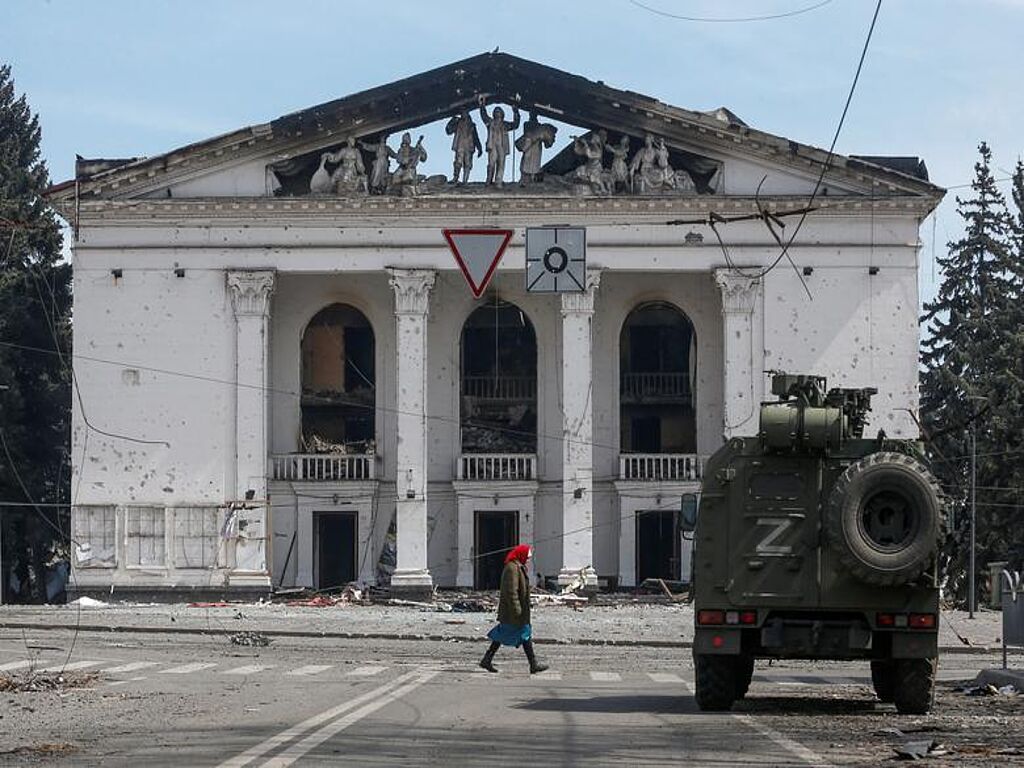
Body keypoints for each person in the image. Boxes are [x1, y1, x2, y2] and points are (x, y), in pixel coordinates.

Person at [479, 544, 549, 674]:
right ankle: (533, 664)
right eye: (527, 557)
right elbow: (511, 591)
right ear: (521, 555)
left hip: (516, 611)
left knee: (520, 634)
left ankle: (488, 659)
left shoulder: (518, 567)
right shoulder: (512, 568)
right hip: (513, 611)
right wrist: (517, 609)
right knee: (517, 634)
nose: (528, 560)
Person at [479, 99, 520, 187]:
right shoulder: (490, 123)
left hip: (502, 145)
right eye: (496, 111)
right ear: (493, 114)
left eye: (499, 111)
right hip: (492, 145)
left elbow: (515, 125)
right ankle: (489, 179)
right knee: (491, 163)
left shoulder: (505, 125)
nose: (497, 113)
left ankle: (498, 181)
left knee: (501, 163)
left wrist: (516, 112)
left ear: (502, 114)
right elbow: (484, 116)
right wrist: (482, 106)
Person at [445, 110, 482, 185]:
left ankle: (465, 180)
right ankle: (455, 178)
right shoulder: (457, 123)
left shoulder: (472, 125)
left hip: (469, 146)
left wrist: (479, 148)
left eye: (465, 113)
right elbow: (448, 131)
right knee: (458, 162)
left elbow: (476, 137)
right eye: (462, 113)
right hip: (460, 145)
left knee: (467, 164)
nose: (463, 114)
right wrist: (452, 120)